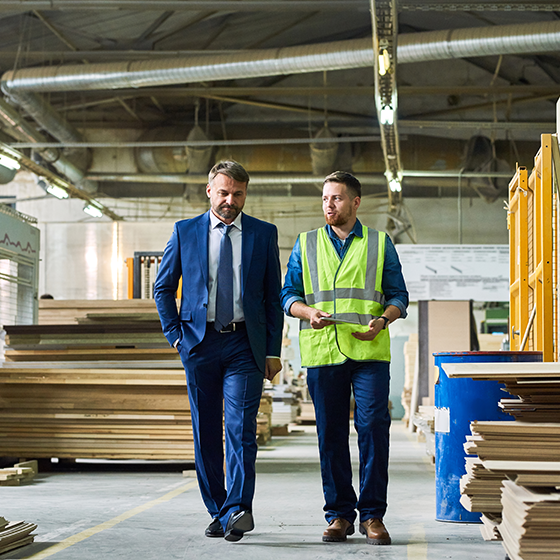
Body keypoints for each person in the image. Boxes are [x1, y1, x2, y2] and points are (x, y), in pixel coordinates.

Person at [154, 160, 284, 542]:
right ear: (209, 190)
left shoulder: (263, 234)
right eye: (224, 192)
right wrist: (176, 337)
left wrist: (272, 351)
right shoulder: (185, 232)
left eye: (238, 194)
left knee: (241, 429)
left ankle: (239, 509)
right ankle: (218, 509)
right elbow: (163, 288)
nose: (230, 200)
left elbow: (272, 298)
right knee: (205, 430)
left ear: (246, 193)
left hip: (245, 344)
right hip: (199, 343)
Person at [280, 170, 408, 545]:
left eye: (336, 198)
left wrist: (383, 320)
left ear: (355, 202)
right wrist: (308, 313)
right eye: (324, 199)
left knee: (372, 429)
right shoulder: (305, 244)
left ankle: (372, 516)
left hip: (369, 349)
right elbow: (288, 294)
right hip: (323, 351)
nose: (328, 205)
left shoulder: (380, 243)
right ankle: (339, 514)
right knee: (331, 435)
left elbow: (399, 296)